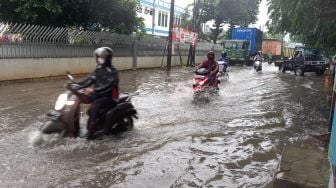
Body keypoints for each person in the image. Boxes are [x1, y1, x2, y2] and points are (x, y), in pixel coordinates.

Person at [67, 47, 119, 138]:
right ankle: (75, 126)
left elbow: (108, 85)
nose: (99, 59)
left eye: (101, 57)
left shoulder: (113, 71)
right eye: (98, 57)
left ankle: (91, 132)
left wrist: (93, 90)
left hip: (110, 96)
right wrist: (76, 85)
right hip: (99, 94)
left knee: (94, 106)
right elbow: (89, 79)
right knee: (78, 98)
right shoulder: (98, 68)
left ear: (107, 58)